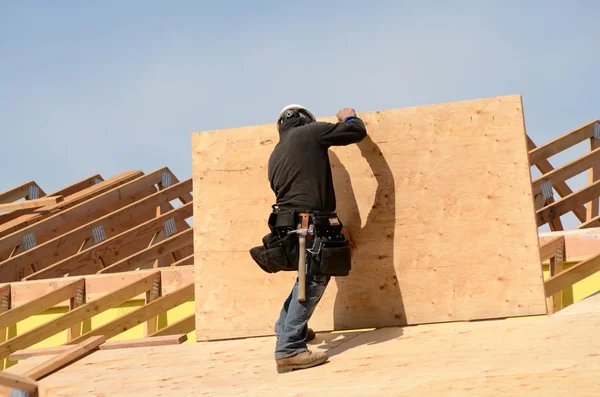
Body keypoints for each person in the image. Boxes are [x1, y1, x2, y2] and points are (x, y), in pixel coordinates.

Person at [267, 104, 367, 373]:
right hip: (309, 221)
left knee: (306, 273)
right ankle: (289, 349)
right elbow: (355, 132)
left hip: (288, 224)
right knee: (315, 276)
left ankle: (285, 327)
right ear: (305, 120)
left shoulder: (276, 154)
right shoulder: (310, 133)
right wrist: (349, 116)